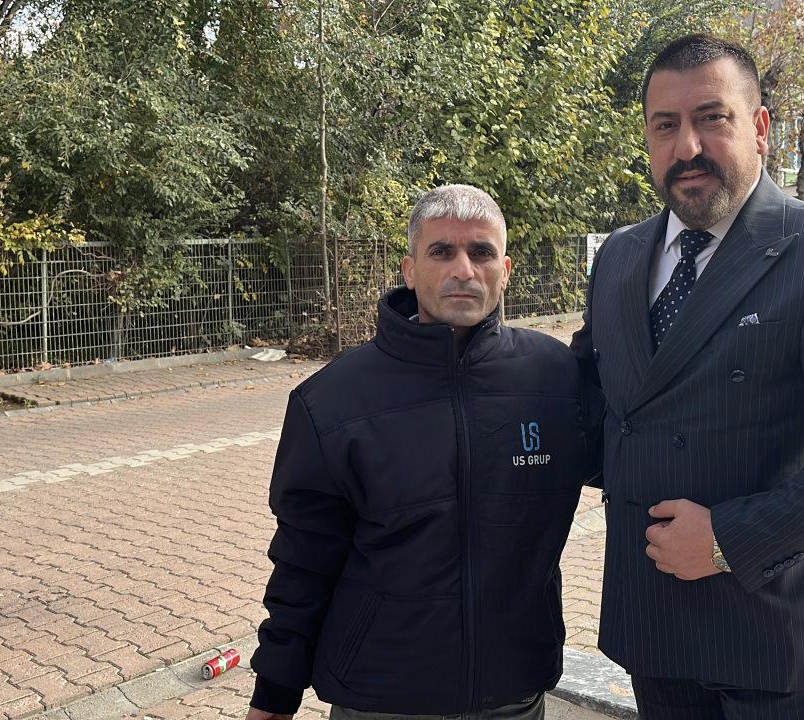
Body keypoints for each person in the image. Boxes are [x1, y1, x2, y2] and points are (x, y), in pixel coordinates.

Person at [569, 34, 804, 719]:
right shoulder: (618, 256)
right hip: (654, 619)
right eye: (665, 125)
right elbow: (591, 397)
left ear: (760, 128)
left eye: (712, 118)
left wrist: (728, 540)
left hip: (778, 630)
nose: (687, 147)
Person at [247, 184, 595, 720]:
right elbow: (304, 557)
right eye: (442, 251)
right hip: (381, 694)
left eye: (481, 252)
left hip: (513, 689)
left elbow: (638, 455)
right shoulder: (333, 400)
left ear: (504, 270)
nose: (463, 270)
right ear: (410, 271)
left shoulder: (557, 378)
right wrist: (276, 689)